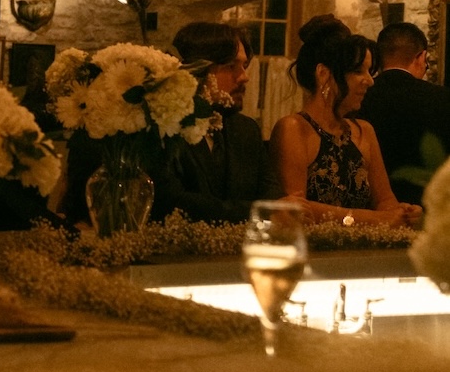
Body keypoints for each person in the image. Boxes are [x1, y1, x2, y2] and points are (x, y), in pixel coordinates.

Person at [269, 14, 421, 226]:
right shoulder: (294, 129)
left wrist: (403, 212)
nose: (369, 81)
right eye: (358, 71)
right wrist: (372, 219)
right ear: (323, 74)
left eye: (369, 71)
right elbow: (297, 209)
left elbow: (385, 200)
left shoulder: (364, 131)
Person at [152, 22, 280, 224]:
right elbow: (173, 202)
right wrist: (260, 212)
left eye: (244, 66)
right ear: (194, 70)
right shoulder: (163, 127)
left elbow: (272, 195)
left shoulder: (246, 130)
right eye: (231, 66)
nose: (244, 77)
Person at [357, 21, 450, 206]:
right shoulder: (442, 99)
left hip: (367, 210)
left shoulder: (359, 97)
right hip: (424, 209)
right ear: (421, 57)